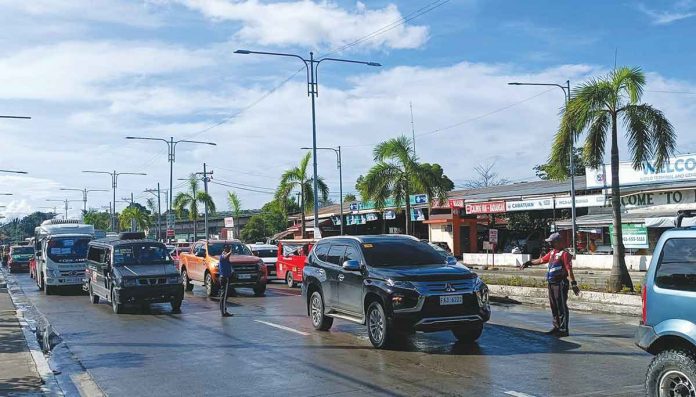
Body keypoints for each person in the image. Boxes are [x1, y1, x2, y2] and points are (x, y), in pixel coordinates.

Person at [520, 233, 580, 337]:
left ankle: (563, 329)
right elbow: (541, 260)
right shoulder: (552, 253)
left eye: (552, 242)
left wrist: (574, 284)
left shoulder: (564, 254)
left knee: (561, 306)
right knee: (554, 306)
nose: (550, 244)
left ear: (558, 242)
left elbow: (569, 271)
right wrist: (528, 263)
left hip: (560, 283)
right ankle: (556, 327)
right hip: (551, 283)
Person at [219, 244, 233, 317]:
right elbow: (225, 256)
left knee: (225, 295)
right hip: (224, 278)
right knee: (224, 296)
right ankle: (223, 312)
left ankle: (224, 310)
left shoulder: (226, 258)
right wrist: (230, 252)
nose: (228, 250)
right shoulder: (222, 256)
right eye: (227, 249)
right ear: (224, 250)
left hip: (226, 277)